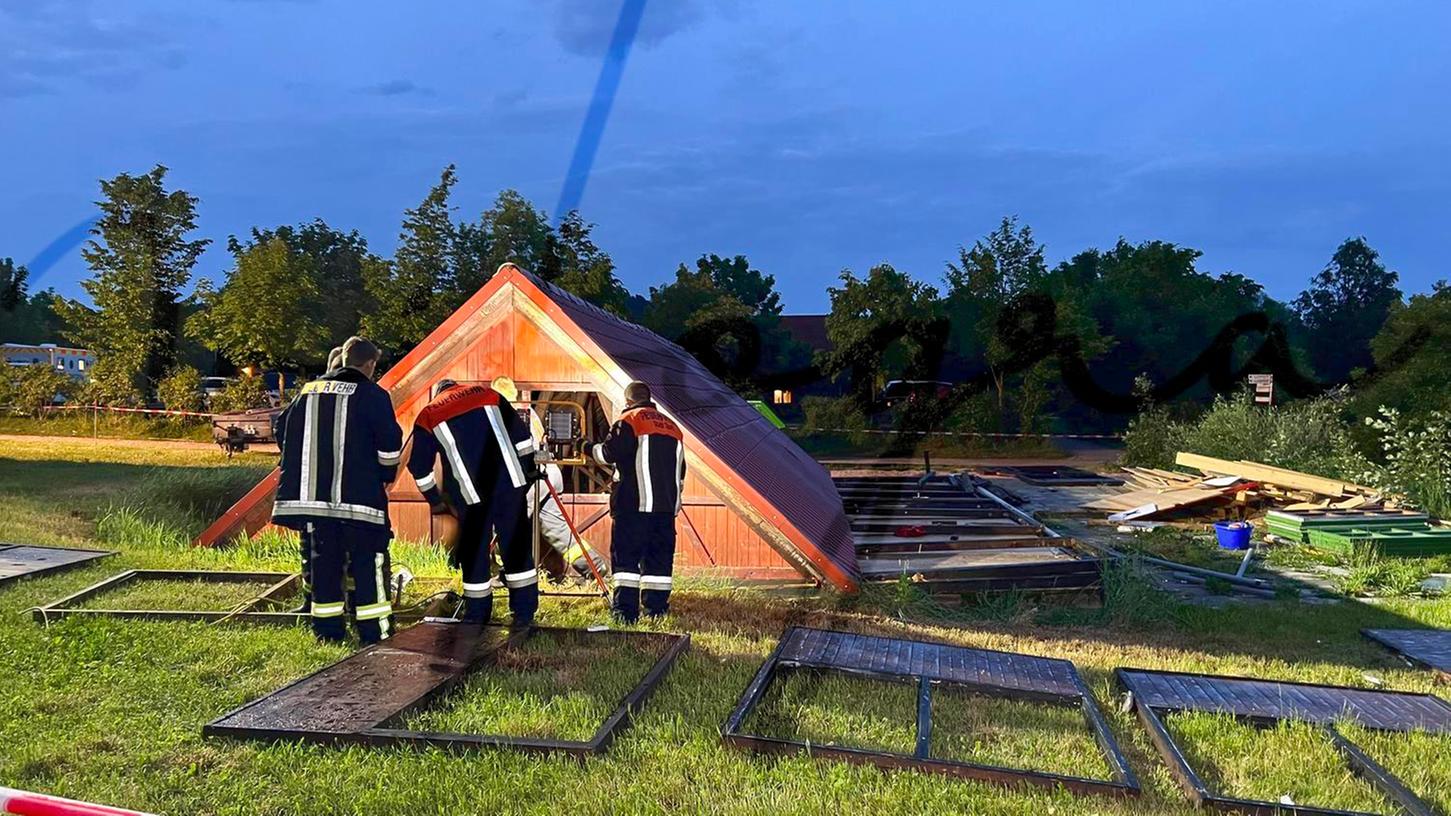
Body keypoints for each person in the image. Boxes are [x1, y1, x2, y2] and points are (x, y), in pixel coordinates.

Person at [272, 337, 403, 643]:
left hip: (314, 504)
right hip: (360, 503)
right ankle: (374, 633)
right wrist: (385, 475)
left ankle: (328, 633)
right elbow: (389, 447)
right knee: (369, 564)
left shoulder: (307, 392)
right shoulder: (373, 395)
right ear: (370, 364)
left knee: (325, 566)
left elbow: (282, 432)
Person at [406, 379, 539, 626]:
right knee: (516, 547)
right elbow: (522, 438)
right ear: (458, 386)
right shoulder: (489, 394)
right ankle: (524, 613)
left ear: (438, 392)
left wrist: (435, 501)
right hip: (509, 484)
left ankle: (477, 616)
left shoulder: (428, 415)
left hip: (470, 496)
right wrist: (528, 470)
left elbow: (419, 468)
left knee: (474, 553)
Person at [591, 381, 686, 622]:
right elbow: (680, 470)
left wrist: (585, 447)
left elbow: (607, 454)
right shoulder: (673, 427)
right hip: (665, 509)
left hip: (633, 506)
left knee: (626, 561)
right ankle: (656, 612)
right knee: (659, 564)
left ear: (628, 401)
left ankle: (625, 613)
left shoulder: (630, 420)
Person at [275, 344, 347, 613]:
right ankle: (348, 603)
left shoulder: (306, 395)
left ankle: (313, 602)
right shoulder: (362, 395)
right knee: (348, 549)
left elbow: (281, 428)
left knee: (312, 549)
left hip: (309, 490)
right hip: (346, 492)